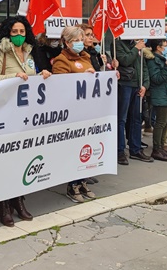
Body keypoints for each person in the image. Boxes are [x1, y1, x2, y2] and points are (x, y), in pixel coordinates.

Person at [0, 16, 50, 226]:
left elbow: (35, 74)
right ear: (7, 33)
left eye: (22, 31)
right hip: (6, 114)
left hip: (27, 115)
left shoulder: (31, 51)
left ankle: (18, 200)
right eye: (15, 32)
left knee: (23, 158)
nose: (19, 36)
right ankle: (3, 204)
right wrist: (14, 77)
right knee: (6, 160)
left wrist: (44, 74)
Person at [51, 26, 97, 201]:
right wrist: (81, 78)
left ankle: (83, 181)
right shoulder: (61, 60)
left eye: (80, 40)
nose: (79, 43)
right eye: (75, 41)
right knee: (74, 149)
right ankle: (72, 185)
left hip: (87, 110)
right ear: (66, 42)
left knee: (86, 147)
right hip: (72, 113)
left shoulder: (85, 57)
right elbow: (60, 87)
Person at [115, 39, 152, 165]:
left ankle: (135, 149)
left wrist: (145, 85)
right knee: (122, 119)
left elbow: (144, 67)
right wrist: (136, 48)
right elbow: (125, 61)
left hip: (137, 86)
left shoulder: (137, 45)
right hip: (124, 85)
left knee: (137, 118)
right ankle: (119, 151)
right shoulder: (118, 44)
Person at [145, 39, 167, 161]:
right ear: (158, 47)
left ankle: (161, 147)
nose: (166, 47)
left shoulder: (164, 58)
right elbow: (157, 78)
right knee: (160, 122)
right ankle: (156, 149)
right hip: (160, 94)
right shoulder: (153, 61)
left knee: (166, 122)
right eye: (164, 46)